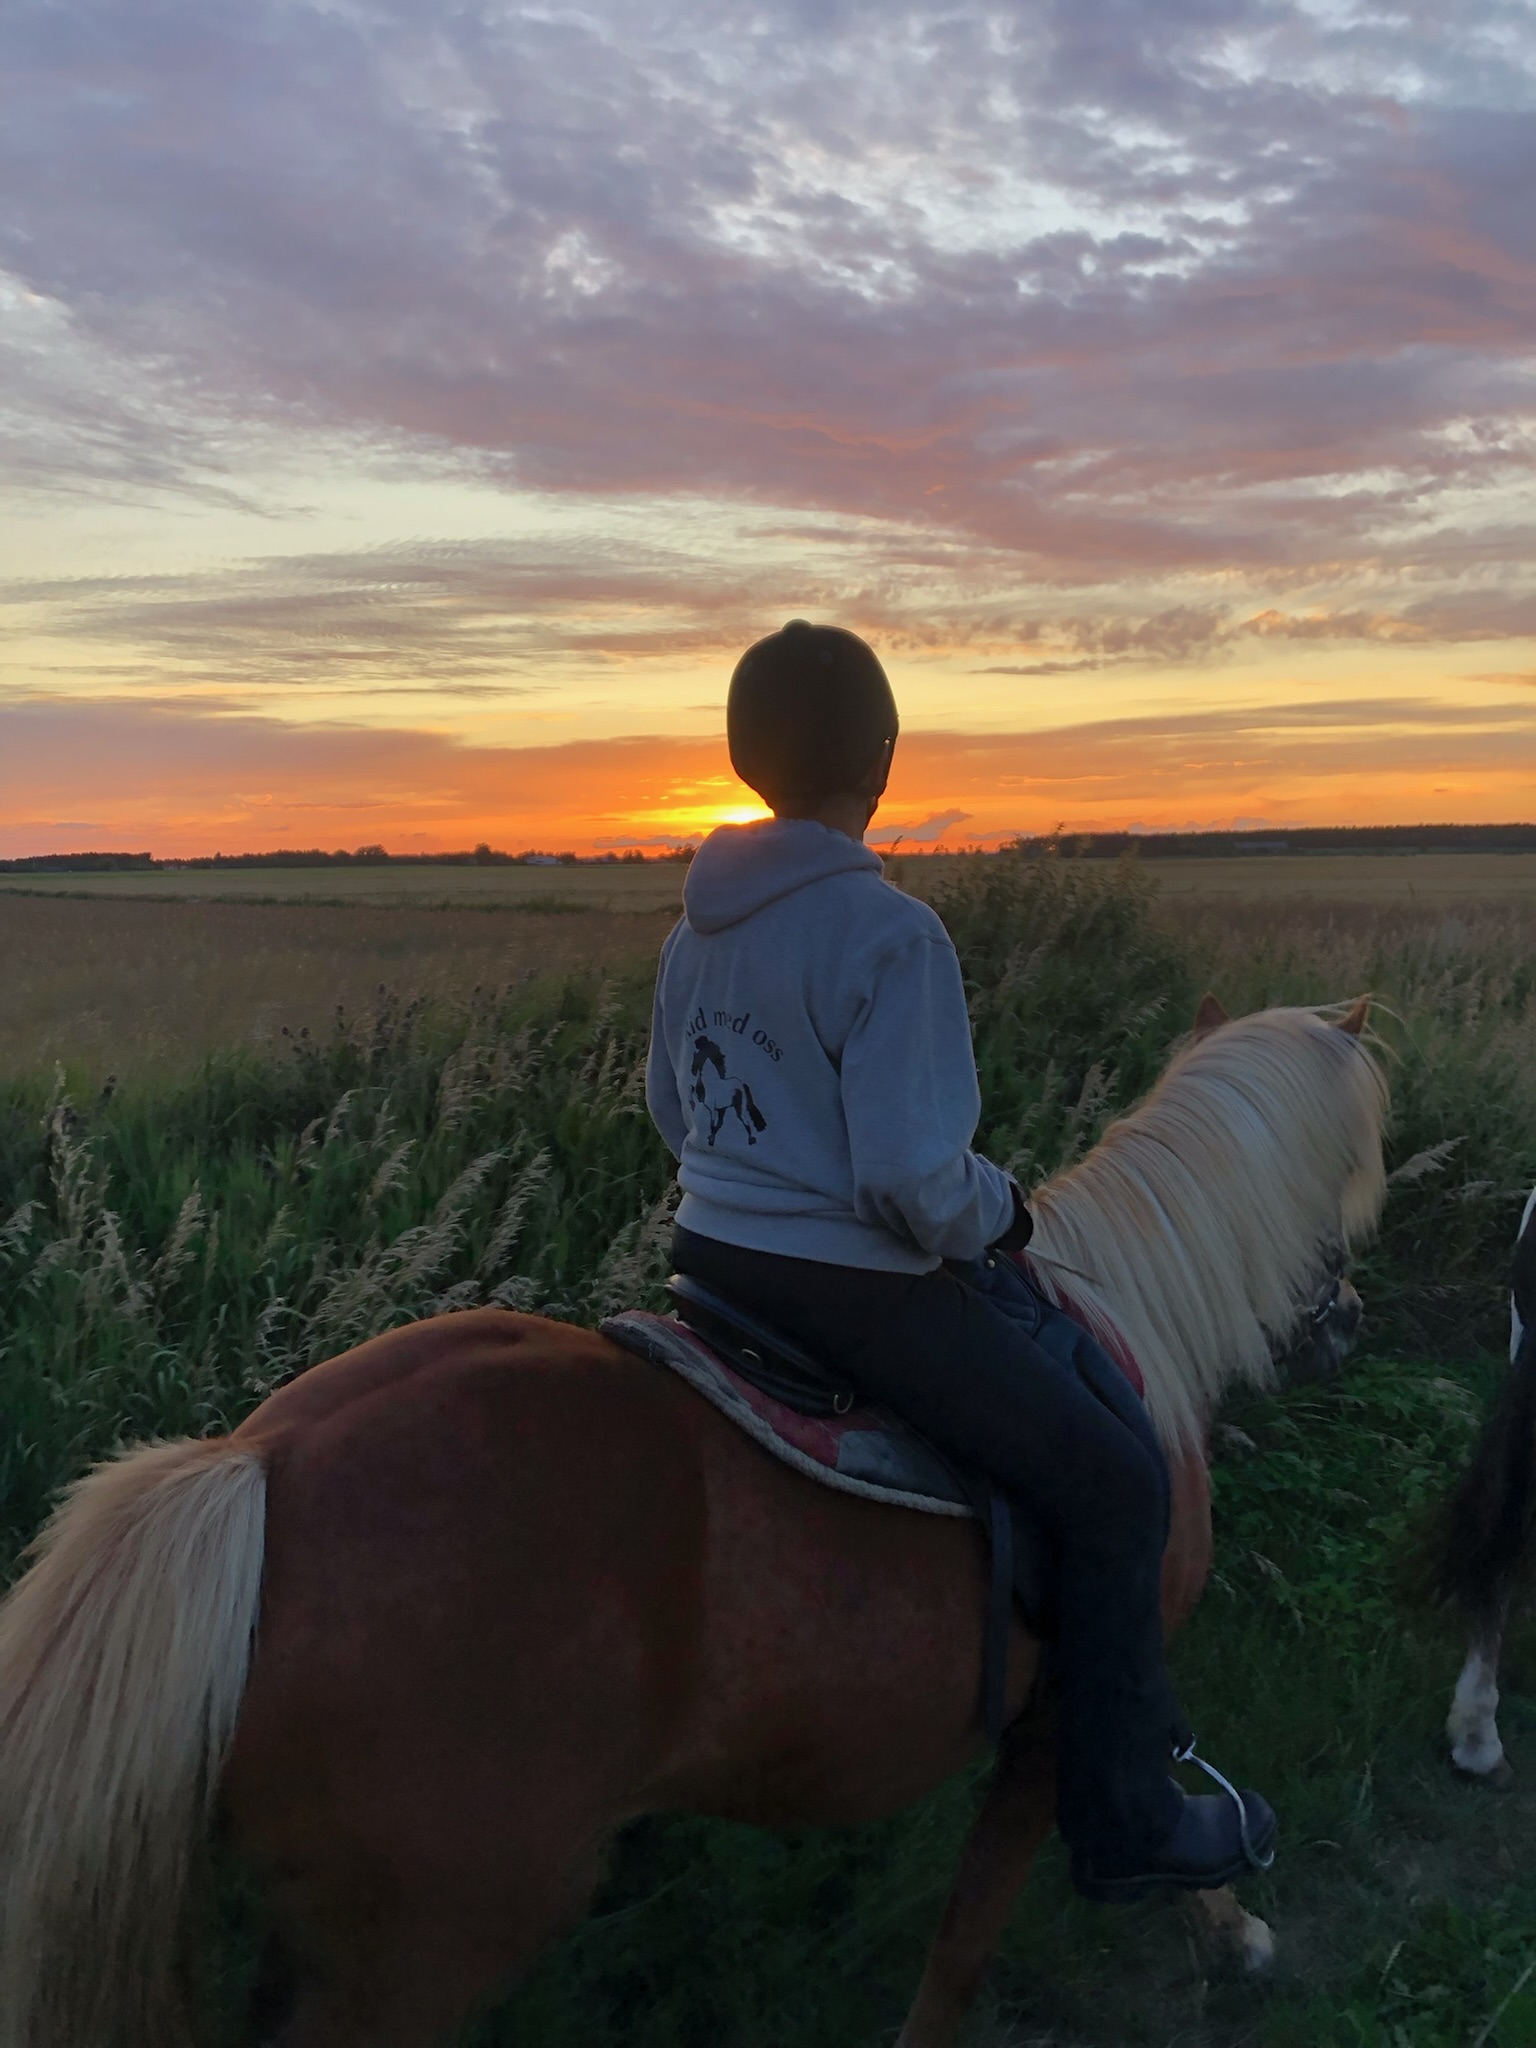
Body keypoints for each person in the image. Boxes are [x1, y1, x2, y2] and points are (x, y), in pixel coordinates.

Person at [644, 619, 1275, 1901]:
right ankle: (1125, 1813)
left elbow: (674, 1109)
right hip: (853, 1287)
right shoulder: (889, 934)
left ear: (744, 758)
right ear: (880, 758)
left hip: (712, 1258)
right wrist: (1003, 1208)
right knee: (1114, 1479)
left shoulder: (694, 931)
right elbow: (910, 1180)